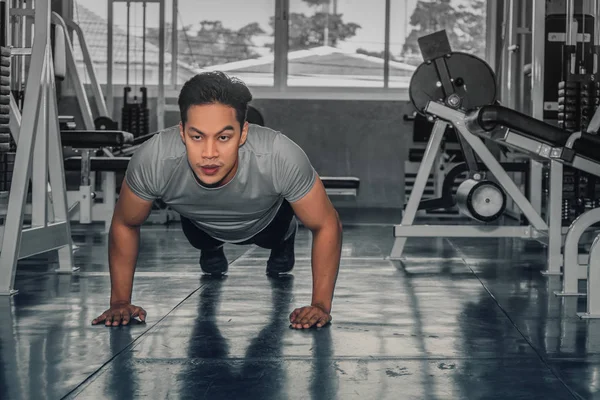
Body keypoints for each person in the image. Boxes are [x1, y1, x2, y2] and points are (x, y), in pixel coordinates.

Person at [92, 72, 343, 330]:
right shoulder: (154, 159)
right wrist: (120, 301)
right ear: (182, 131)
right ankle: (211, 248)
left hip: (266, 221)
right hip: (201, 223)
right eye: (197, 137)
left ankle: (285, 241)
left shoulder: (279, 155)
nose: (209, 154)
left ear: (243, 133)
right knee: (200, 237)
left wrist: (320, 305)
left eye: (223, 137)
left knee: (274, 235)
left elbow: (326, 223)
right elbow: (125, 223)